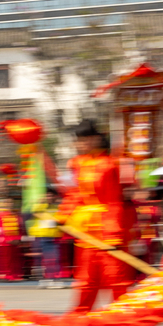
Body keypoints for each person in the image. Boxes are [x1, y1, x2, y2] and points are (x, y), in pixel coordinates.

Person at [58, 120, 135, 316]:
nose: (78, 144)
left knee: (116, 279)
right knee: (85, 280)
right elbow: (75, 194)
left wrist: (113, 233)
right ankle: (78, 323)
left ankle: (124, 325)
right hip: (86, 232)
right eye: (77, 141)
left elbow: (114, 202)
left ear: (94, 139)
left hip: (109, 231)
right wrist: (62, 216)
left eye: (82, 140)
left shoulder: (110, 164)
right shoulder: (78, 164)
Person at [28, 191, 66, 288]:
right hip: (41, 236)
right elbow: (34, 211)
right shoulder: (39, 207)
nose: (49, 197)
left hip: (53, 237)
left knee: (53, 258)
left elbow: (61, 220)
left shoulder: (57, 208)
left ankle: (52, 279)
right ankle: (47, 280)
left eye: (50, 195)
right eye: (47, 195)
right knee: (44, 259)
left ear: (54, 197)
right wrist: (40, 202)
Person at [0, 198, 23, 281]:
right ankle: (7, 275)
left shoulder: (15, 216)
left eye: (10, 202)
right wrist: (4, 239)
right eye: (6, 202)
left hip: (14, 241)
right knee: (5, 260)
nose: (8, 204)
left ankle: (15, 275)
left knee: (14, 259)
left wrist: (18, 239)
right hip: (3, 242)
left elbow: (19, 229)